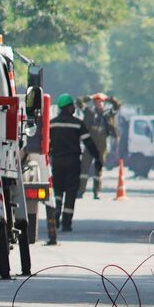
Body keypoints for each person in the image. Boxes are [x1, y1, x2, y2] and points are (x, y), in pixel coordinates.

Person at [48, 93, 101, 233]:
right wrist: (97, 158)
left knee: (58, 189)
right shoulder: (77, 124)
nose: (73, 108)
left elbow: (46, 144)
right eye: (71, 106)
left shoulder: (52, 124)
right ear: (68, 107)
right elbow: (88, 142)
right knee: (71, 192)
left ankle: (57, 210)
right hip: (72, 162)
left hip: (57, 161)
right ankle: (66, 223)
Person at [80, 92, 121, 199]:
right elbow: (79, 102)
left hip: (102, 144)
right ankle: (81, 191)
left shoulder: (108, 114)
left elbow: (117, 105)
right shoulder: (89, 112)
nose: (98, 104)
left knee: (98, 169)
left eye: (100, 102)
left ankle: (96, 192)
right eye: (96, 102)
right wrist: (91, 96)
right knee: (84, 168)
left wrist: (107, 98)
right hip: (89, 143)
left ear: (103, 103)